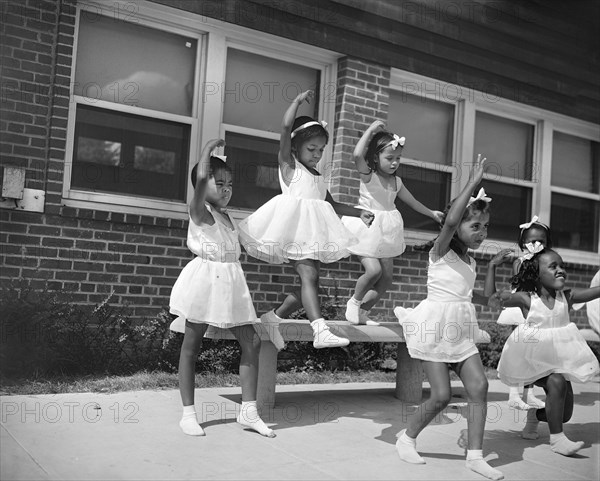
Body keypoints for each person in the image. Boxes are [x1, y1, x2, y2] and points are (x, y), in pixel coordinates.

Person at [393, 155, 504, 481]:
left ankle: (475, 456)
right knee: (441, 396)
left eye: (485, 226)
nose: (481, 232)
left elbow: (476, 296)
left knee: (479, 386)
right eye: (475, 225)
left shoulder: (469, 261)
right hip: (435, 326)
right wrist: (472, 182)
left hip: (460, 328)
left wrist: (494, 271)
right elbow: (452, 222)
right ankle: (407, 437)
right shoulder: (440, 249)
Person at [239, 90, 374, 350]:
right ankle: (320, 330)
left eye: (321, 150)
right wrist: (296, 102)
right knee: (309, 275)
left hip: (312, 234)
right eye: (311, 148)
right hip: (293, 231)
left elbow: (331, 205)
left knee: (310, 285)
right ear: (295, 146)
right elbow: (285, 127)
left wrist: (359, 212)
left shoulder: (317, 177)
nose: (317, 154)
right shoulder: (289, 166)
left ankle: (273, 318)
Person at [169, 139, 275, 438]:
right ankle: (188, 413)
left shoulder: (227, 217)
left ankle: (248, 411)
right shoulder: (199, 210)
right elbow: (201, 179)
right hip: (205, 280)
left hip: (231, 282)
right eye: (220, 183)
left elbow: (250, 245)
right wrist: (207, 149)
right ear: (204, 186)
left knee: (251, 342)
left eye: (230, 183)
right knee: (192, 346)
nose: (226, 188)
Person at [492, 247, 600, 456]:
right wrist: (492, 266)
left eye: (562, 266)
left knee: (564, 414)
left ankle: (536, 414)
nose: (560, 270)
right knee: (556, 381)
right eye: (553, 266)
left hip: (558, 359)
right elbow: (492, 298)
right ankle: (557, 440)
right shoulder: (527, 299)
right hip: (532, 359)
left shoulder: (566, 297)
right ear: (537, 275)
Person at [342, 120, 443, 325]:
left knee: (386, 279)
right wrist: (371, 130)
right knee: (374, 271)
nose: (394, 162)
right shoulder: (368, 175)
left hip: (387, 232)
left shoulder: (396, 182)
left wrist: (432, 213)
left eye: (398, 158)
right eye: (389, 158)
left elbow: (412, 202)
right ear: (375, 157)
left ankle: (362, 311)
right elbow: (356, 155)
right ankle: (353, 303)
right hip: (367, 228)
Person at [489, 216, 551, 410]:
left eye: (542, 241)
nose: (537, 244)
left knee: (532, 353)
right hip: (522, 307)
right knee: (519, 351)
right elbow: (523, 280)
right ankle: (514, 394)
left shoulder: (547, 261)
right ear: (523, 243)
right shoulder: (520, 261)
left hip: (538, 308)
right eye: (532, 241)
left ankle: (529, 392)